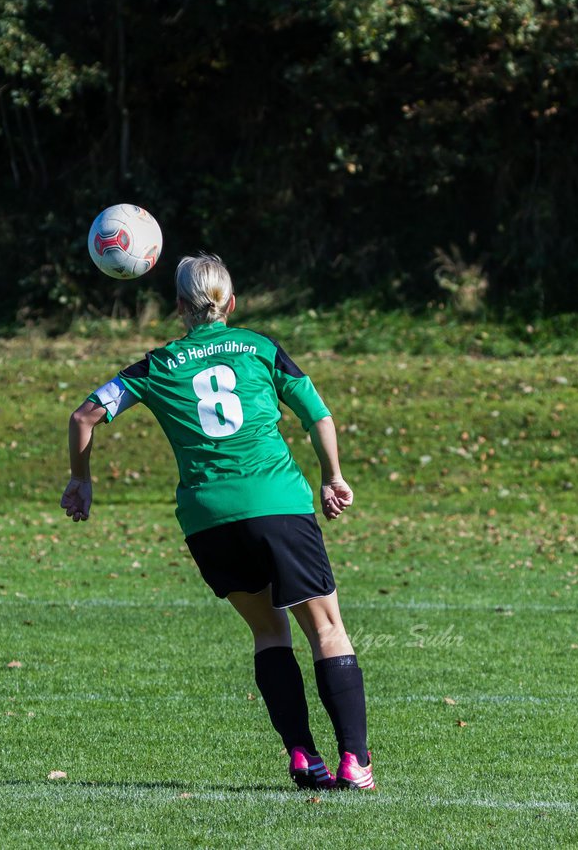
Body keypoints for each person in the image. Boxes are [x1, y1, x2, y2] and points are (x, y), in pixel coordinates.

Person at [61, 253, 374, 790]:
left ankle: (303, 755)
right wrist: (332, 476)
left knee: (268, 631)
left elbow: (84, 414)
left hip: (209, 519)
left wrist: (81, 479)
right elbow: (317, 413)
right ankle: (354, 760)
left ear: (179, 307)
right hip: (276, 503)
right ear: (231, 303)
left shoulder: (156, 365)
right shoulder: (259, 348)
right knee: (326, 629)